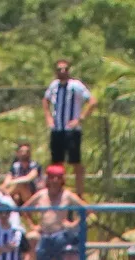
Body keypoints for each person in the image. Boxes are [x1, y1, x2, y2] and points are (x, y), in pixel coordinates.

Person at [42, 60, 95, 197]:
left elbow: (92, 101)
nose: (63, 72)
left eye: (65, 69)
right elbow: (45, 100)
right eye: (60, 69)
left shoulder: (75, 85)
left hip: (72, 130)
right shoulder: (54, 85)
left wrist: (80, 118)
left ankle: (79, 194)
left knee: (75, 162)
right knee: (56, 163)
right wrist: (48, 117)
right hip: (57, 129)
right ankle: (57, 193)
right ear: (56, 72)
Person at [24, 165, 83, 260]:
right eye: (52, 177)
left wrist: (74, 224)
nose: (55, 180)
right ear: (48, 179)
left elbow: (87, 210)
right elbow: (24, 209)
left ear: (62, 179)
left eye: (58, 177)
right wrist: (33, 225)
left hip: (60, 235)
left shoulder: (67, 195)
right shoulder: (41, 194)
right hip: (44, 235)